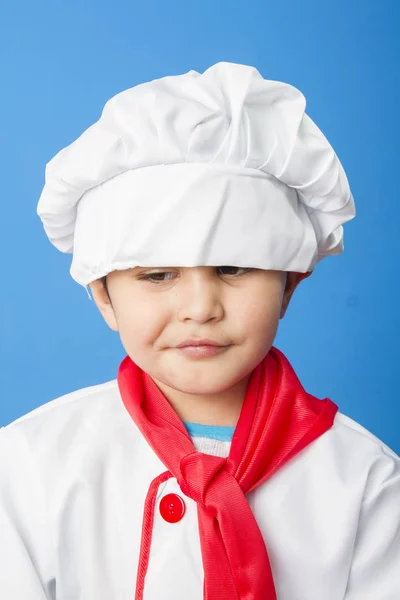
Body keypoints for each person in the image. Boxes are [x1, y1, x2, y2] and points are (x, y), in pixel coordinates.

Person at [0, 62, 399, 600]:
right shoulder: (29, 466)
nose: (199, 307)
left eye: (233, 268)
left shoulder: (366, 479)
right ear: (103, 297)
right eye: (158, 275)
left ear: (289, 286)